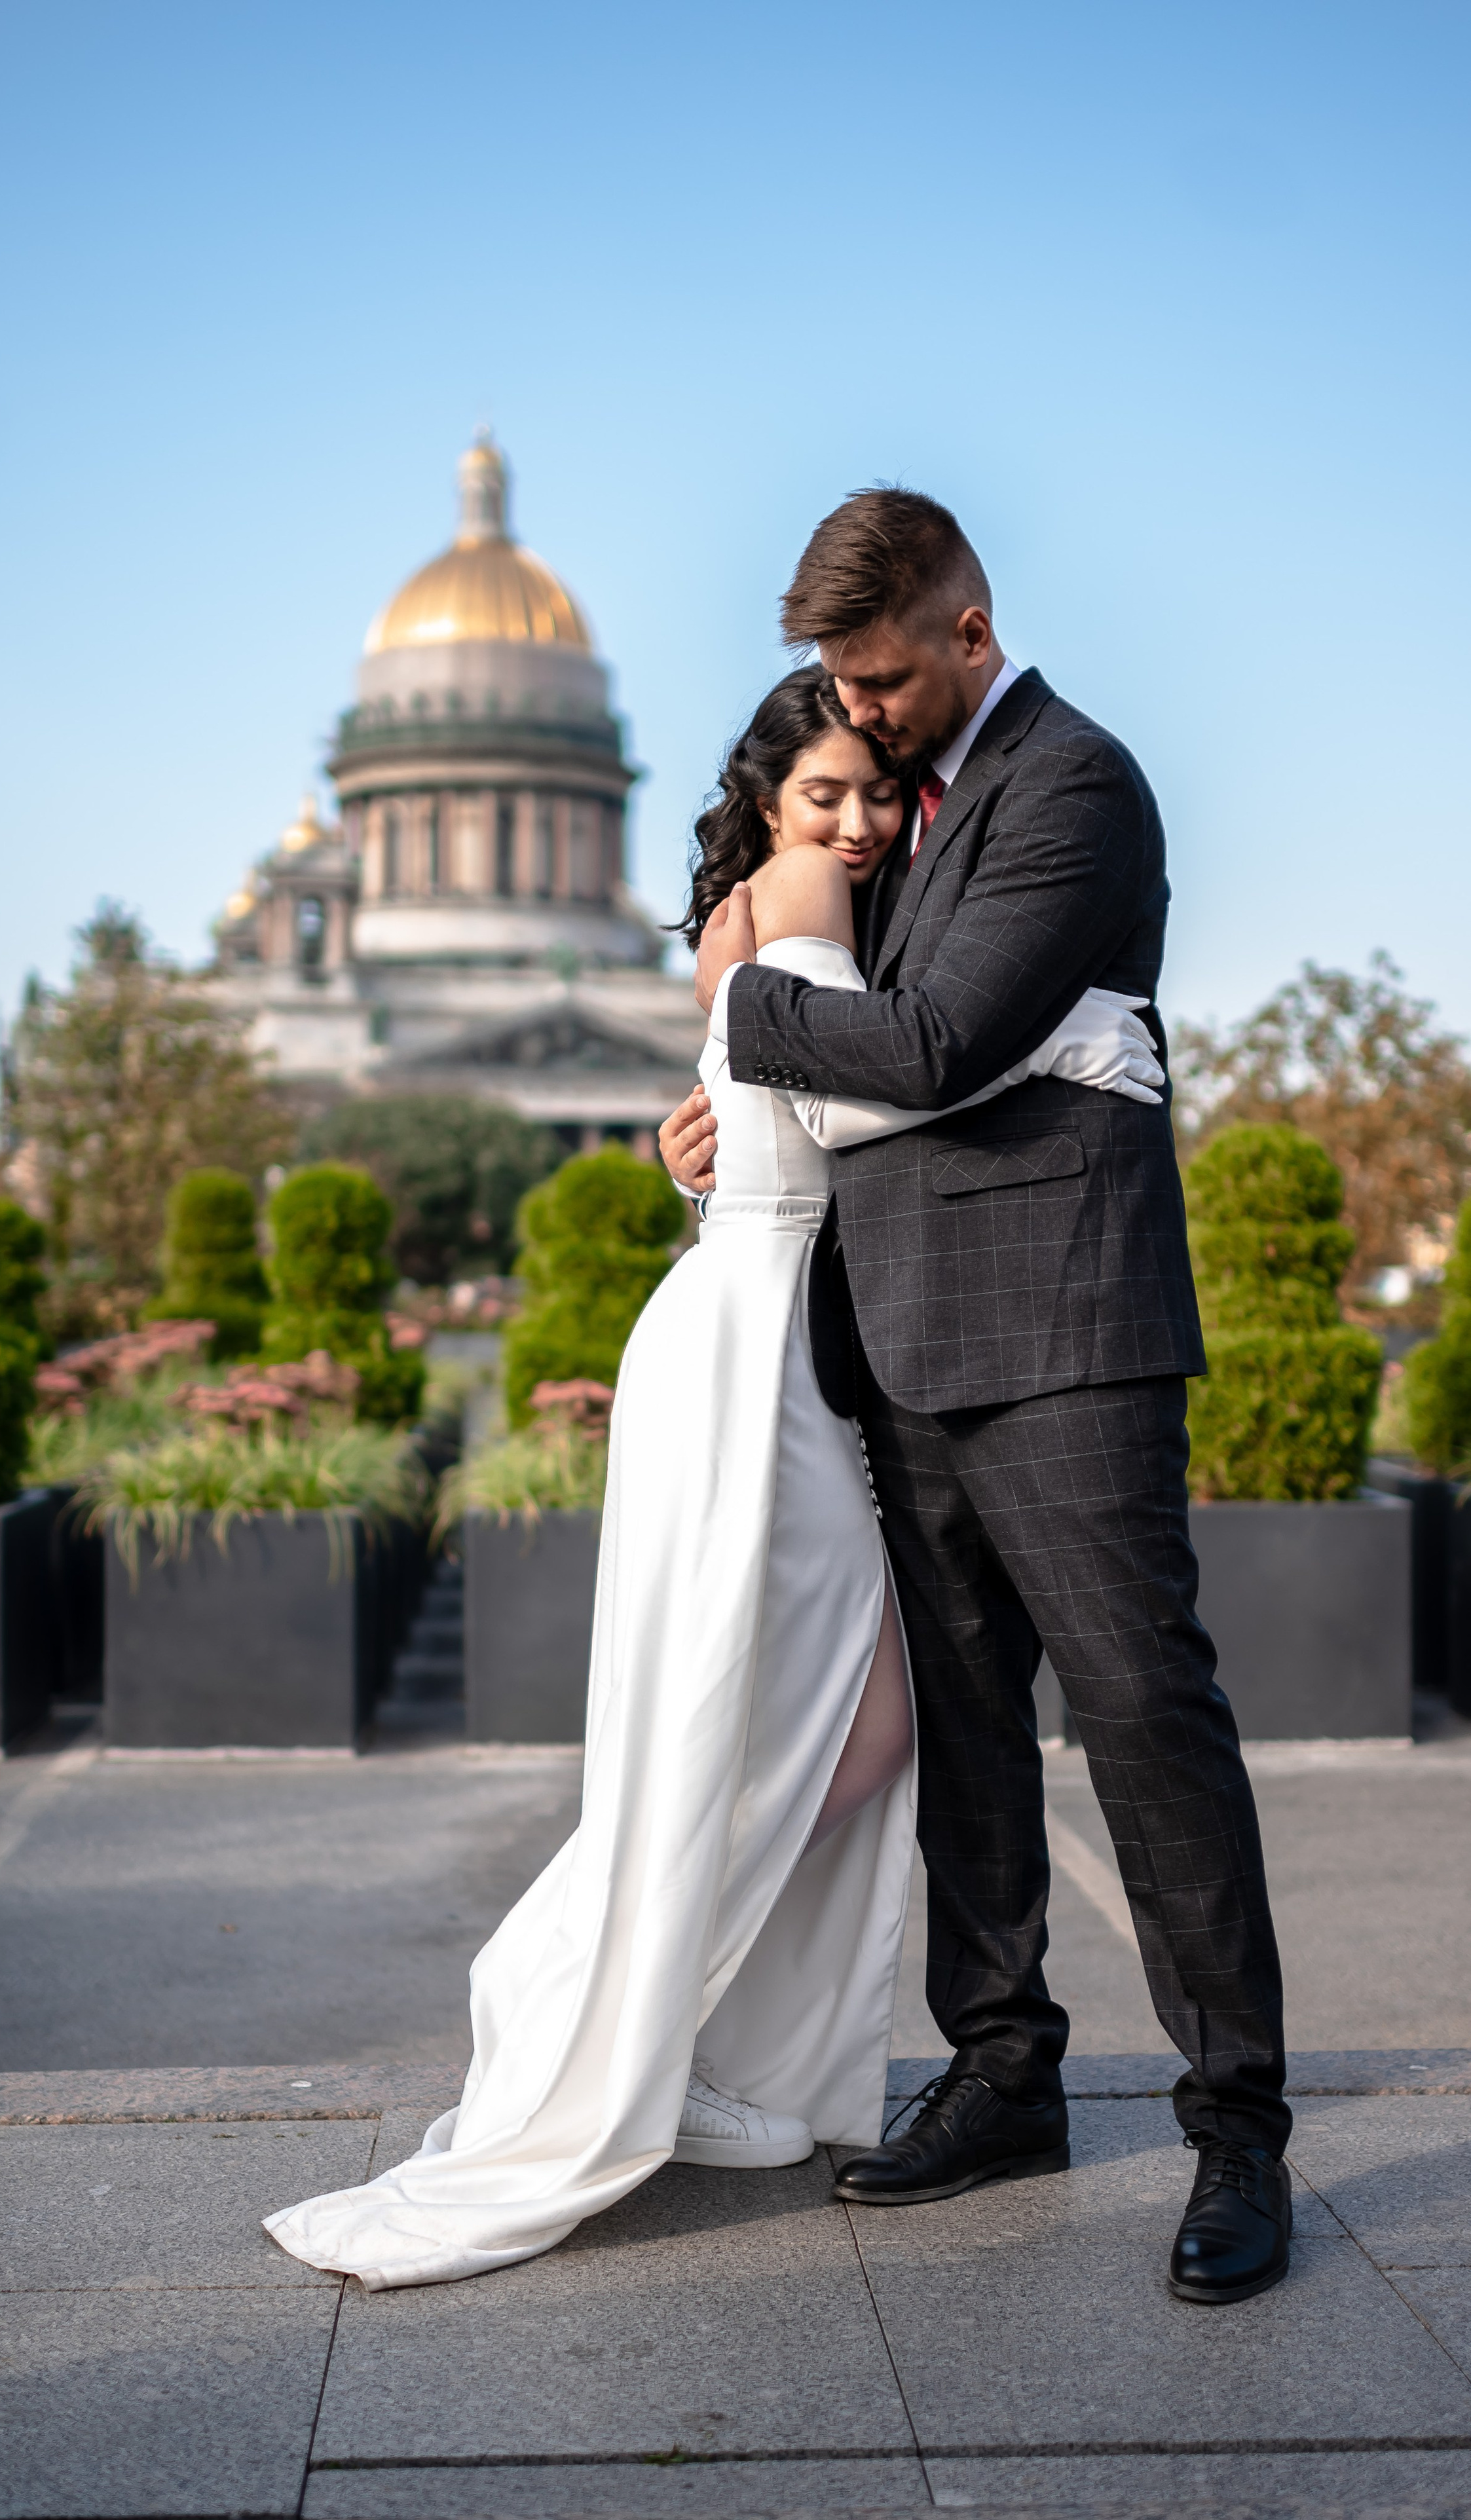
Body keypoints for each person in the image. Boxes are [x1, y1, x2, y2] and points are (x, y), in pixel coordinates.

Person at [263, 669, 1161, 2293]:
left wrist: (701, 1140)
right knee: (835, 1716)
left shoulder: (755, 911)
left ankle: (648, 1972)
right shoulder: (808, 894)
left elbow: (786, 1101)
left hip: (754, 1335)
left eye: (875, 792)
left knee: (834, 1716)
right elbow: (880, 1079)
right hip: (760, 1357)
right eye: (823, 792)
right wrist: (1088, 1043)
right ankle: (606, 1971)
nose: (857, 820)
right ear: (762, 796)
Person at [669, 490, 1292, 2310]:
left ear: (966, 628)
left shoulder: (1076, 785)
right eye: (832, 686)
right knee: (967, 1730)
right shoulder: (897, 801)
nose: (855, 715)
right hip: (902, 1336)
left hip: (1068, 1331)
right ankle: (1006, 2066)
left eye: (879, 678)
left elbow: (938, 1043)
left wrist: (737, 996)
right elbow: (889, 1064)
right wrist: (717, 1116)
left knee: (1144, 1717)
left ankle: (1237, 2126)